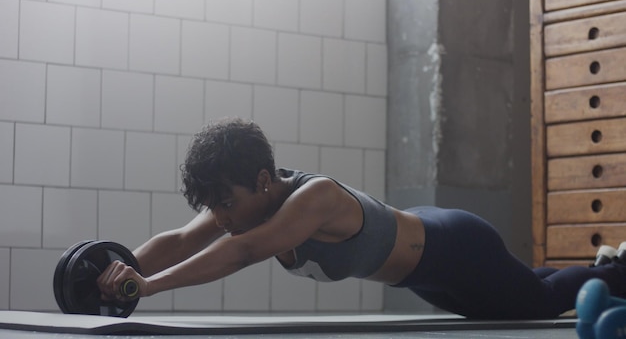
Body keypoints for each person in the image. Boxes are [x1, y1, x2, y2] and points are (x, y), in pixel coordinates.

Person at [97, 117, 626, 319]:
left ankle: (614, 270)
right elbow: (180, 239)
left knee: (537, 306)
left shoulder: (314, 198)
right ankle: (599, 264)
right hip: (426, 273)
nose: (219, 216)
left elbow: (243, 252)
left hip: (455, 247)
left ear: (263, 180)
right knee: (512, 296)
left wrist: (145, 289)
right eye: (213, 206)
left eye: (225, 203)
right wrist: (114, 271)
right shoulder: (244, 207)